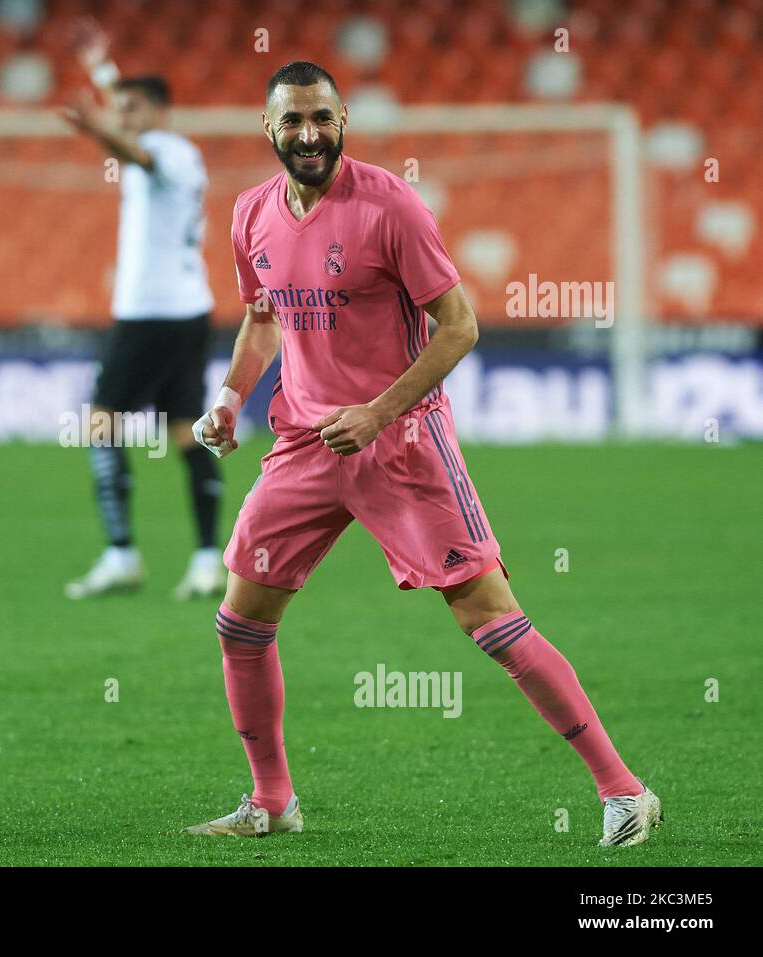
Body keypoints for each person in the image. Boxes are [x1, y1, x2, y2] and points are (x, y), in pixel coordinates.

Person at [186, 62, 661, 847]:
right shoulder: (250, 214)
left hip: (402, 443)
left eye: (323, 118)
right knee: (241, 622)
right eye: (293, 121)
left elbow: (461, 326)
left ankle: (623, 790)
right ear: (266, 130)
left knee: (488, 616)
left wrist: (377, 412)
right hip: (304, 442)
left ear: (345, 122)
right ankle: (272, 800)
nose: (309, 134)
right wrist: (232, 399)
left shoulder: (390, 206)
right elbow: (262, 315)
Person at [59, 20, 225, 601]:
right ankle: (208, 562)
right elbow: (129, 127)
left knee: (100, 424)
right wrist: (101, 69)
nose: (119, 113)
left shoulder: (163, 150)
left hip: (149, 315)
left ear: (154, 111)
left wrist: (96, 129)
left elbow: (133, 149)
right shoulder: (180, 149)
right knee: (186, 431)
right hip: (188, 310)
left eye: (129, 108)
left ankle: (121, 554)